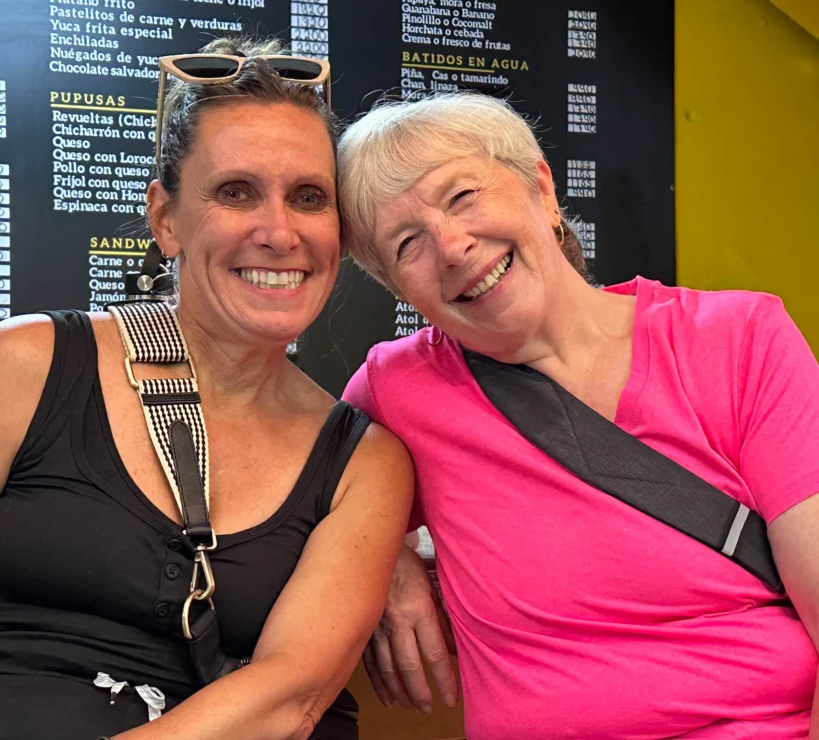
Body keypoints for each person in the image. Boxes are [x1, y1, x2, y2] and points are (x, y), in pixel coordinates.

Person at [0, 37, 413, 740]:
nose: (278, 231)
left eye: (309, 197)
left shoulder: (363, 460)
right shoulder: (26, 364)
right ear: (165, 219)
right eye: (235, 191)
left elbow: (290, 697)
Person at [336, 91, 819, 739]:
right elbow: (301, 475)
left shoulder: (740, 339)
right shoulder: (398, 388)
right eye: (406, 244)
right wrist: (382, 557)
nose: (451, 246)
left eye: (462, 196)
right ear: (400, 291)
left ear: (541, 189)